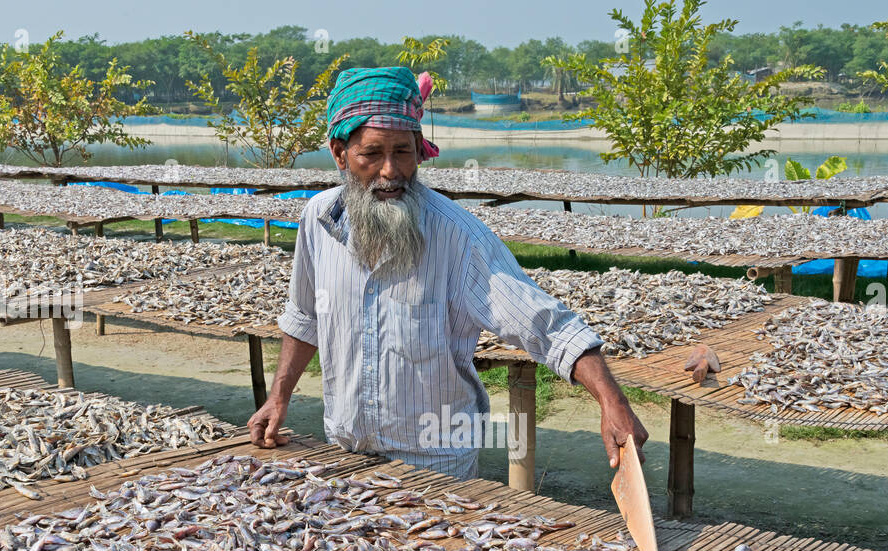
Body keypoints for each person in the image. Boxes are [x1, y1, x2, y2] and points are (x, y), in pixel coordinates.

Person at [248, 66, 648, 479]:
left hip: (435, 463)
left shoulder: (457, 237)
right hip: (346, 451)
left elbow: (545, 323)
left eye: (403, 151)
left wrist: (612, 402)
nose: (390, 171)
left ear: (419, 150)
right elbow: (305, 317)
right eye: (372, 153)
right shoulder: (318, 220)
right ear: (339, 154)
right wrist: (279, 397)